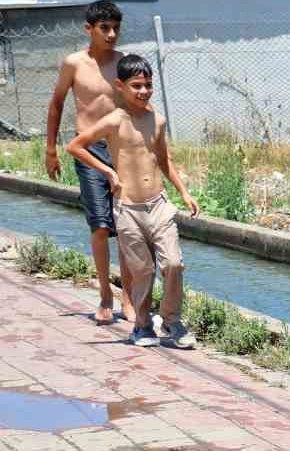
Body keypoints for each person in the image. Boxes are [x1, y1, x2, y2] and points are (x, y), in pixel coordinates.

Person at [67, 54, 199, 350]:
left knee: (174, 264)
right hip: (127, 209)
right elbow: (75, 146)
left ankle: (170, 319)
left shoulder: (158, 120)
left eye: (148, 85)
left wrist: (184, 192)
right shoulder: (114, 120)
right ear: (120, 86)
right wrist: (108, 171)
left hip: (159, 204)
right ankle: (142, 326)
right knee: (143, 271)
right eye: (137, 85)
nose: (144, 91)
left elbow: (164, 159)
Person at [47, 0, 136, 327]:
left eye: (115, 28)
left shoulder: (124, 62)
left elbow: (138, 101)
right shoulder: (74, 63)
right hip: (88, 152)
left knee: (127, 227)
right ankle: (104, 295)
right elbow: (56, 104)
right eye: (104, 28)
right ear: (89, 30)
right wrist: (50, 150)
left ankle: (128, 296)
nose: (111, 34)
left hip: (122, 150)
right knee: (100, 226)